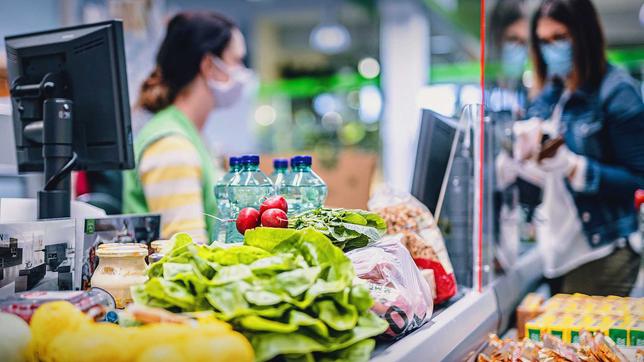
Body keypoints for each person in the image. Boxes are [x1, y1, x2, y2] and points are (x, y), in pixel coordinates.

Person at [515, 0, 643, 296]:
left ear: (583, 35)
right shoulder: (552, 94)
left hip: (602, 253)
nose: (552, 48)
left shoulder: (617, 92)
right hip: (557, 252)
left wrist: (576, 168)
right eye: (544, 41)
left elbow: (638, 178)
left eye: (560, 37)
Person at [123, 12, 252, 244]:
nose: (242, 72)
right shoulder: (170, 146)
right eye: (236, 60)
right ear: (209, 66)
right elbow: (187, 251)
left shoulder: (191, 135)